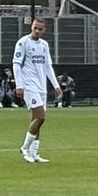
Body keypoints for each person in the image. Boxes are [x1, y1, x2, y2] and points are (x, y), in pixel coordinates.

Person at [13, 18, 62, 163]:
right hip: (29, 85)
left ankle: (34, 153)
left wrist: (56, 85)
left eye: (40, 29)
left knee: (36, 119)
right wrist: (19, 85)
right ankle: (25, 148)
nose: (37, 31)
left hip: (41, 86)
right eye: (35, 28)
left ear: (44, 30)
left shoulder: (44, 45)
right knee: (41, 117)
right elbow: (16, 64)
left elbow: (47, 66)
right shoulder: (23, 42)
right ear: (31, 27)